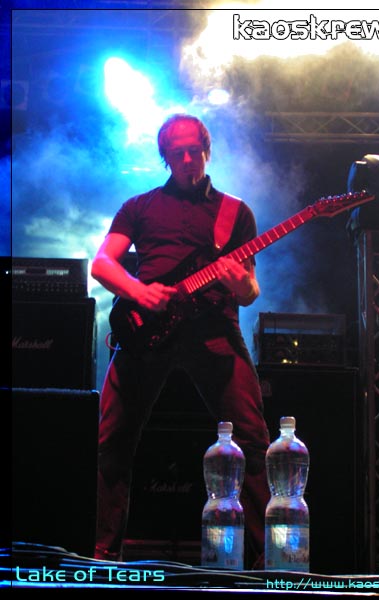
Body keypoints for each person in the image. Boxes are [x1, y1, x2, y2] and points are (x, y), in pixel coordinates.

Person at [91, 113, 271, 569]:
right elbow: (103, 264)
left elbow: (250, 291)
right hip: (146, 328)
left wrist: (237, 283)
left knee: (252, 440)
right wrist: (139, 292)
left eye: (195, 150)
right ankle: (104, 555)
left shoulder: (236, 212)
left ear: (207, 151)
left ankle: (262, 565)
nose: (188, 159)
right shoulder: (139, 206)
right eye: (178, 152)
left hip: (214, 330)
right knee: (112, 440)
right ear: (165, 157)